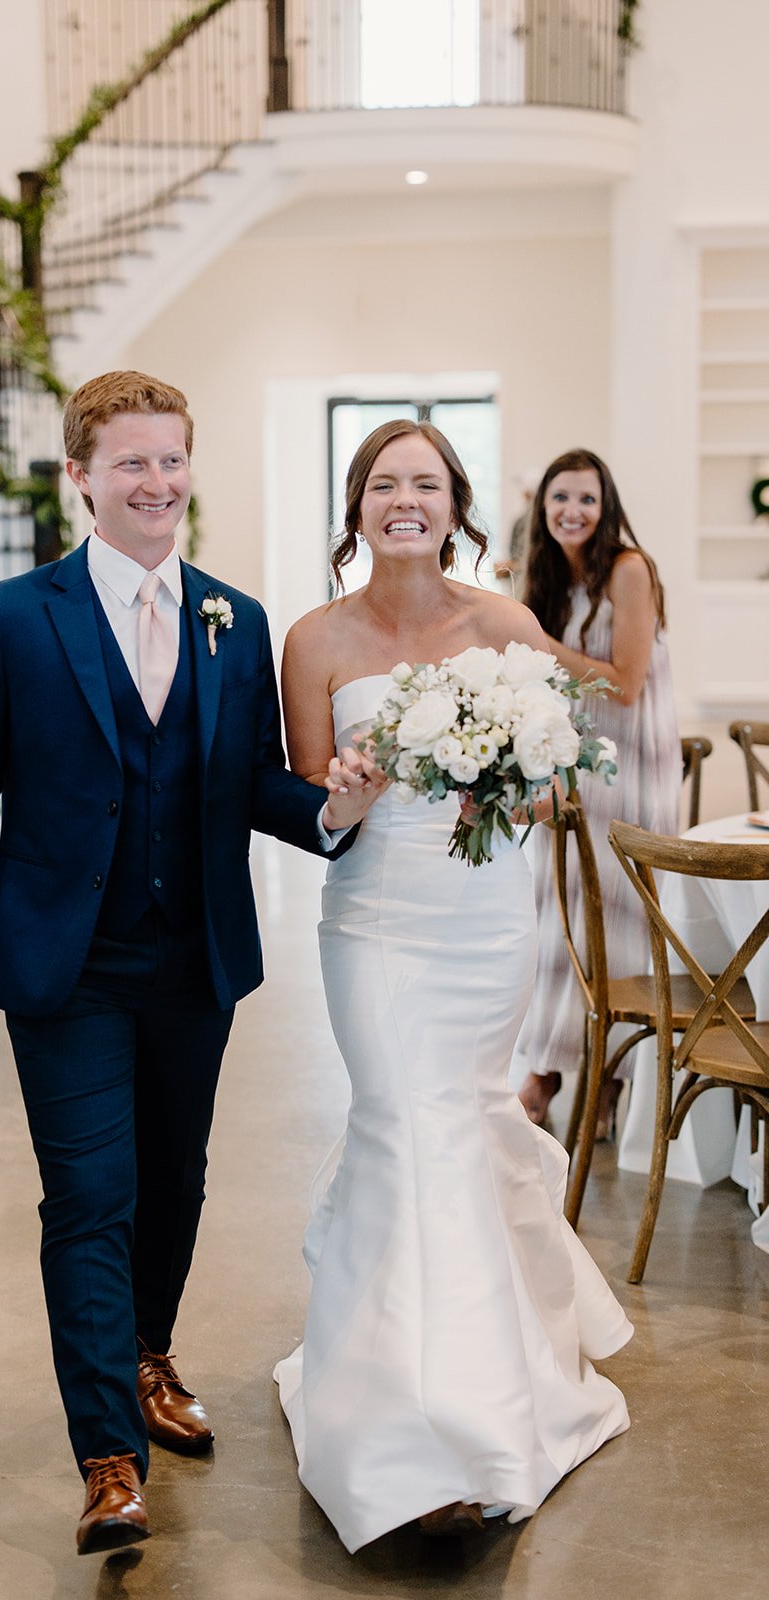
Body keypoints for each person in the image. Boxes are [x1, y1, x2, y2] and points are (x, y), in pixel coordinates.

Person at [0, 371, 381, 1556]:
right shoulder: (15, 616)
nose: (156, 483)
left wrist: (333, 807)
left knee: (175, 1180)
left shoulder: (236, 620)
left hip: (194, 959)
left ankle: (148, 1351)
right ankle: (107, 1454)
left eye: (170, 459)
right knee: (89, 1198)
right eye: (129, 462)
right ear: (81, 476)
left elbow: (251, 790)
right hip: (63, 965)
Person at [274, 419, 632, 1552]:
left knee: (465, 1126)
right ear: (356, 505)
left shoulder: (505, 626)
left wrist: (509, 794)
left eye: (424, 483)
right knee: (400, 1124)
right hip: (374, 924)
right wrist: (346, 790)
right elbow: (303, 805)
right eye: (383, 483)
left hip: (481, 926)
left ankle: (476, 1396)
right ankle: (395, 1429)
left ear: (455, 502)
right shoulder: (314, 638)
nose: (404, 500)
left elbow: (548, 785)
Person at [512, 448, 680, 1134]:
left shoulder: (628, 570)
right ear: (542, 508)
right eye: (559, 499)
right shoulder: (553, 580)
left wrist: (536, 643)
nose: (571, 512)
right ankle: (548, 1068)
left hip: (632, 773)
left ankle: (589, 1080)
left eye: (585, 499)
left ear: (605, 506)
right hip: (575, 768)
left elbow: (626, 683)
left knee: (612, 928)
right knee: (553, 920)